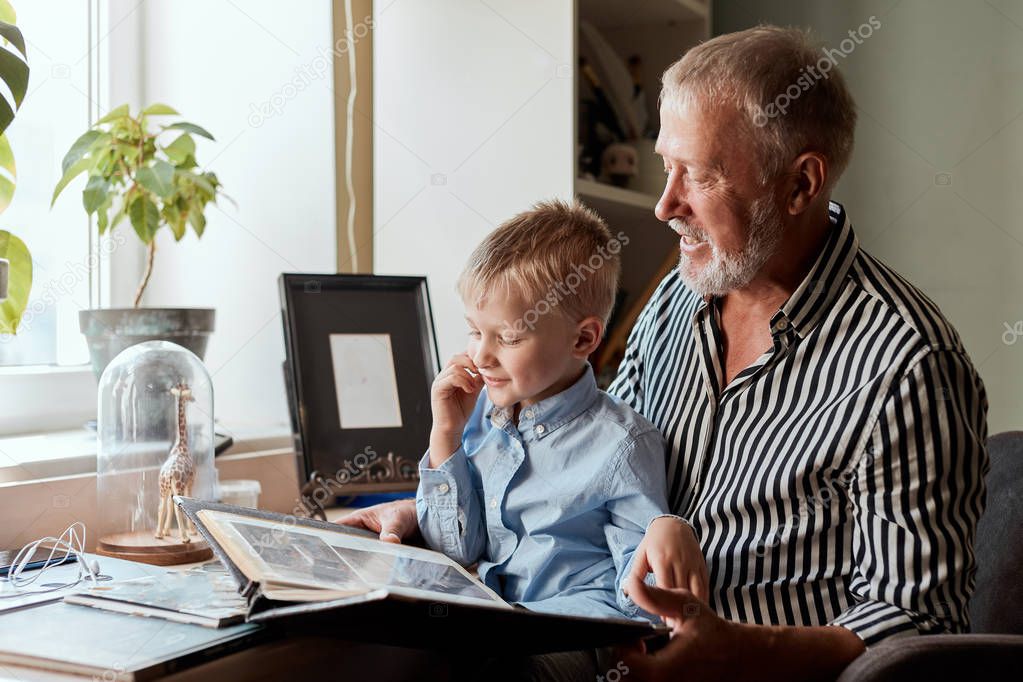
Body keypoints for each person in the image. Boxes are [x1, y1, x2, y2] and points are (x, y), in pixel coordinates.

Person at [342, 25, 989, 681]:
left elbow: (916, 629)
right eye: (664, 167)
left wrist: (733, 652)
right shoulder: (678, 299)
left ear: (799, 185)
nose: (663, 205)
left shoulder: (909, 363)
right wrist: (439, 513)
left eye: (699, 176)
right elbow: (585, 468)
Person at [417, 199, 704, 623]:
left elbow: (640, 602)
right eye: (475, 331)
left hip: (570, 631)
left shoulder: (622, 445)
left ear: (583, 340)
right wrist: (445, 436)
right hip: (489, 617)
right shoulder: (477, 416)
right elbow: (455, 551)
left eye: (509, 339)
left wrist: (660, 540)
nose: (481, 355)